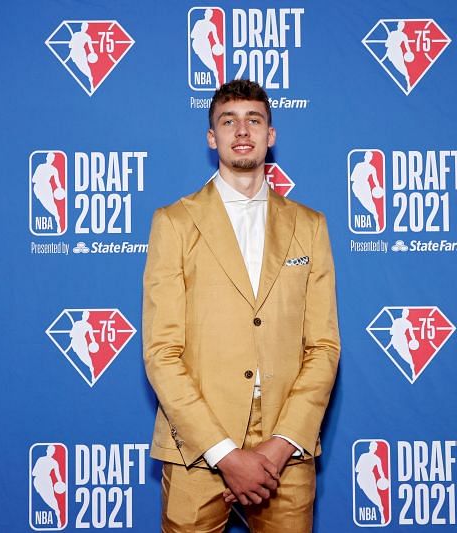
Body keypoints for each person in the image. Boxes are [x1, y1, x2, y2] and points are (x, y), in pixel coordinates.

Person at [143, 79, 340, 532]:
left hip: (285, 453)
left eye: (254, 119)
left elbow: (323, 346)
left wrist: (278, 446)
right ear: (212, 138)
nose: (242, 130)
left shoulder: (310, 225)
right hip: (196, 449)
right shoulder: (173, 222)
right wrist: (224, 453)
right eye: (227, 122)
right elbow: (162, 352)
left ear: (271, 134)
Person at [32, 445, 64, 527]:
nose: (51, 452)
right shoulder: (40, 459)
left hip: (47, 481)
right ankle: (57, 514)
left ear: (53, 452)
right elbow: (33, 473)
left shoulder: (54, 462)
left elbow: (58, 474)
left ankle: (59, 519)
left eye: (52, 451)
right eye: (50, 450)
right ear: (47, 450)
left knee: (53, 501)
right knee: (43, 498)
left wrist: (60, 483)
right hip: (38, 481)